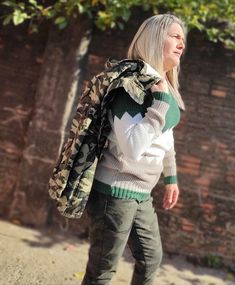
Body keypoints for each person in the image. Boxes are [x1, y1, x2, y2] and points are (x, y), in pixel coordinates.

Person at [81, 13, 186, 285]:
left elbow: (166, 139)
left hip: (142, 194)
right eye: (175, 36)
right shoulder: (130, 85)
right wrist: (159, 106)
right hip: (114, 193)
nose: (181, 43)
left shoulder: (165, 88)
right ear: (154, 38)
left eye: (182, 39)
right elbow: (133, 148)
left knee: (151, 259)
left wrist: (171, 178)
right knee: (102, 271)